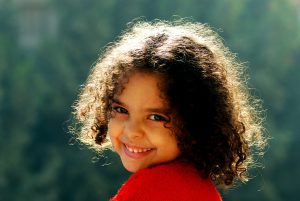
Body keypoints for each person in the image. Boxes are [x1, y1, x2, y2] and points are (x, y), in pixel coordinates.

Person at [71, 19, 266, 201]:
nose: (132, 131)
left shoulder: (149, 190)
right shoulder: (196, 183)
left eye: (156, 117)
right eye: (121, 109)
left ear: (195, 123)